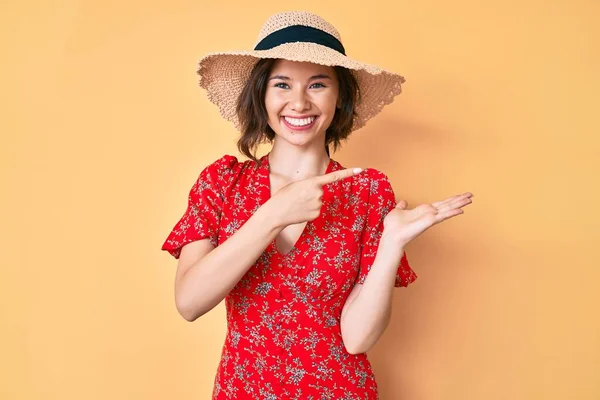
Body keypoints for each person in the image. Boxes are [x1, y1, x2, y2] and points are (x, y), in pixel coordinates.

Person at [161, 10, 473, 399]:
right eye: (282, 84)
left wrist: (391, 245)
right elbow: (189, 302)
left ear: (339, 96)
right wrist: (272, 215)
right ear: (261, 93)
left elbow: (357, 339)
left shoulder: (367, 192)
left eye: (317, 84)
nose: (299, 102)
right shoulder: (222, 183)